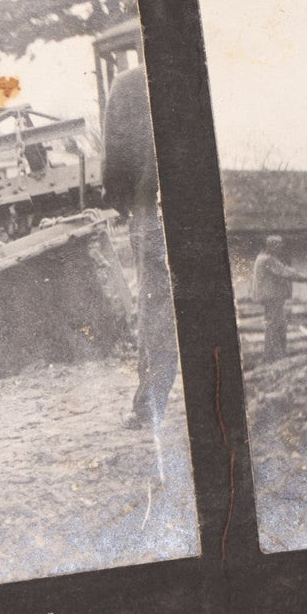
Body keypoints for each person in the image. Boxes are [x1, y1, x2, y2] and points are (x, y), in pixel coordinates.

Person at [104, 67, 179, 430]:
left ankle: (148, 406)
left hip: (150, 211)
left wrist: (124, 203)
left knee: (156, 311)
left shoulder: (128, 82)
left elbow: (114, 156)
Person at [252, 235, 307, 361]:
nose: (280, 249)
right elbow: (284, 271)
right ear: (272, 247)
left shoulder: (262, 257)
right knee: (274, 325)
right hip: (272, 297)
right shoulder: (268, 260)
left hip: (270, 297)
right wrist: (305, 278)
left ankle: (276, 354)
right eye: (278, 246)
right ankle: (271, 356)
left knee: (279, 324)